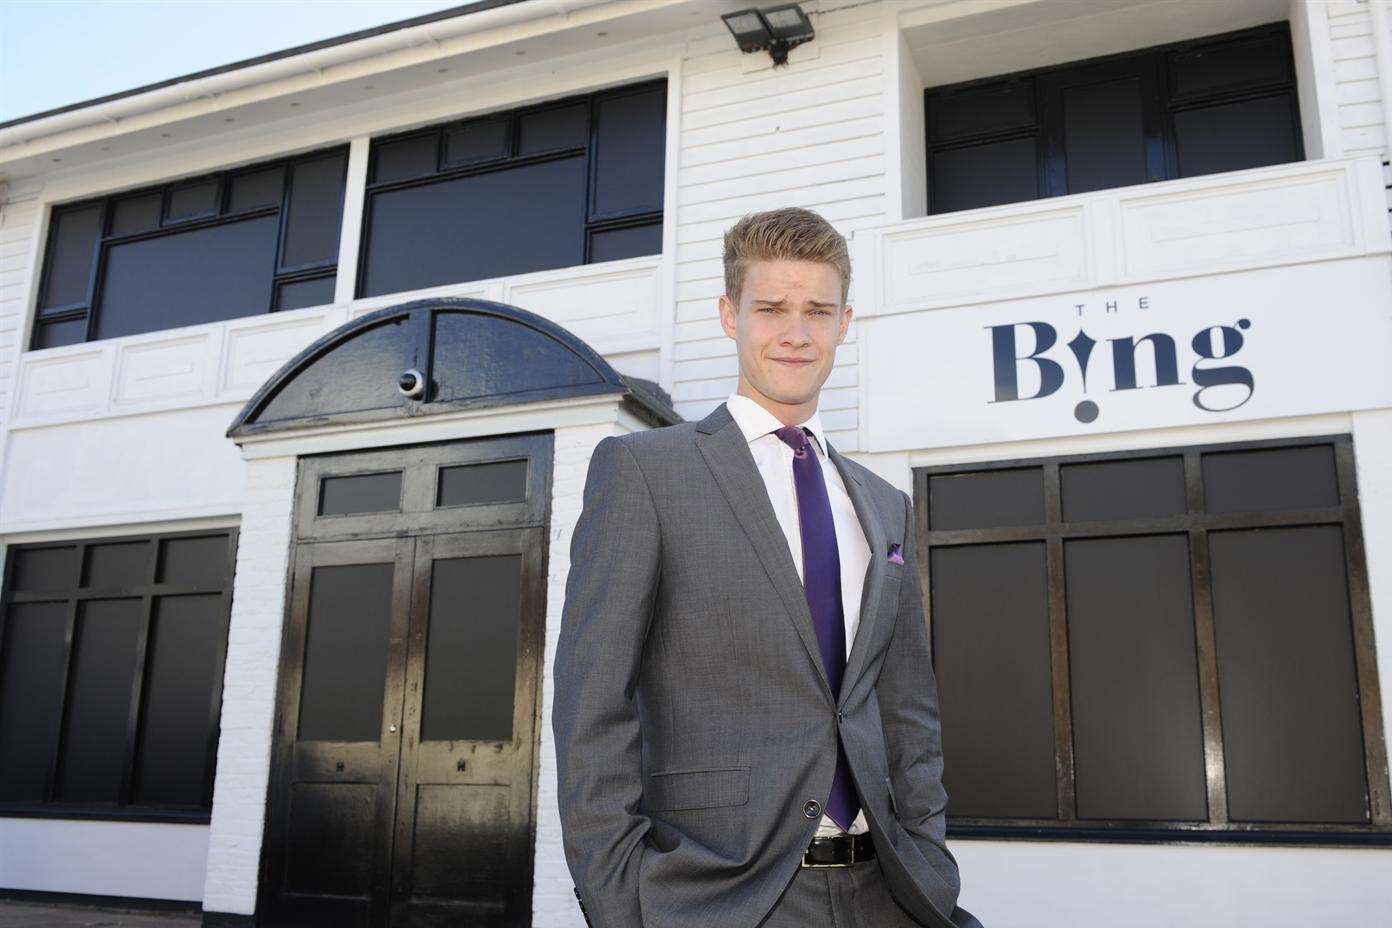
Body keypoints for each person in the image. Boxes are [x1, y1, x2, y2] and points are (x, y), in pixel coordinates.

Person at [552, 206, 982, 928]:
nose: (796, 332)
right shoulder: (645, 471)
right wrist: (621, 902)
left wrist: (928, 855)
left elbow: (908, 708)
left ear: (846, 322)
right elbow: (592, 703)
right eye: (771, 308)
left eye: (818, 309)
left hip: (891, 892)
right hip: (721, 896)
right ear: (729, 315)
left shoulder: (884, 505)